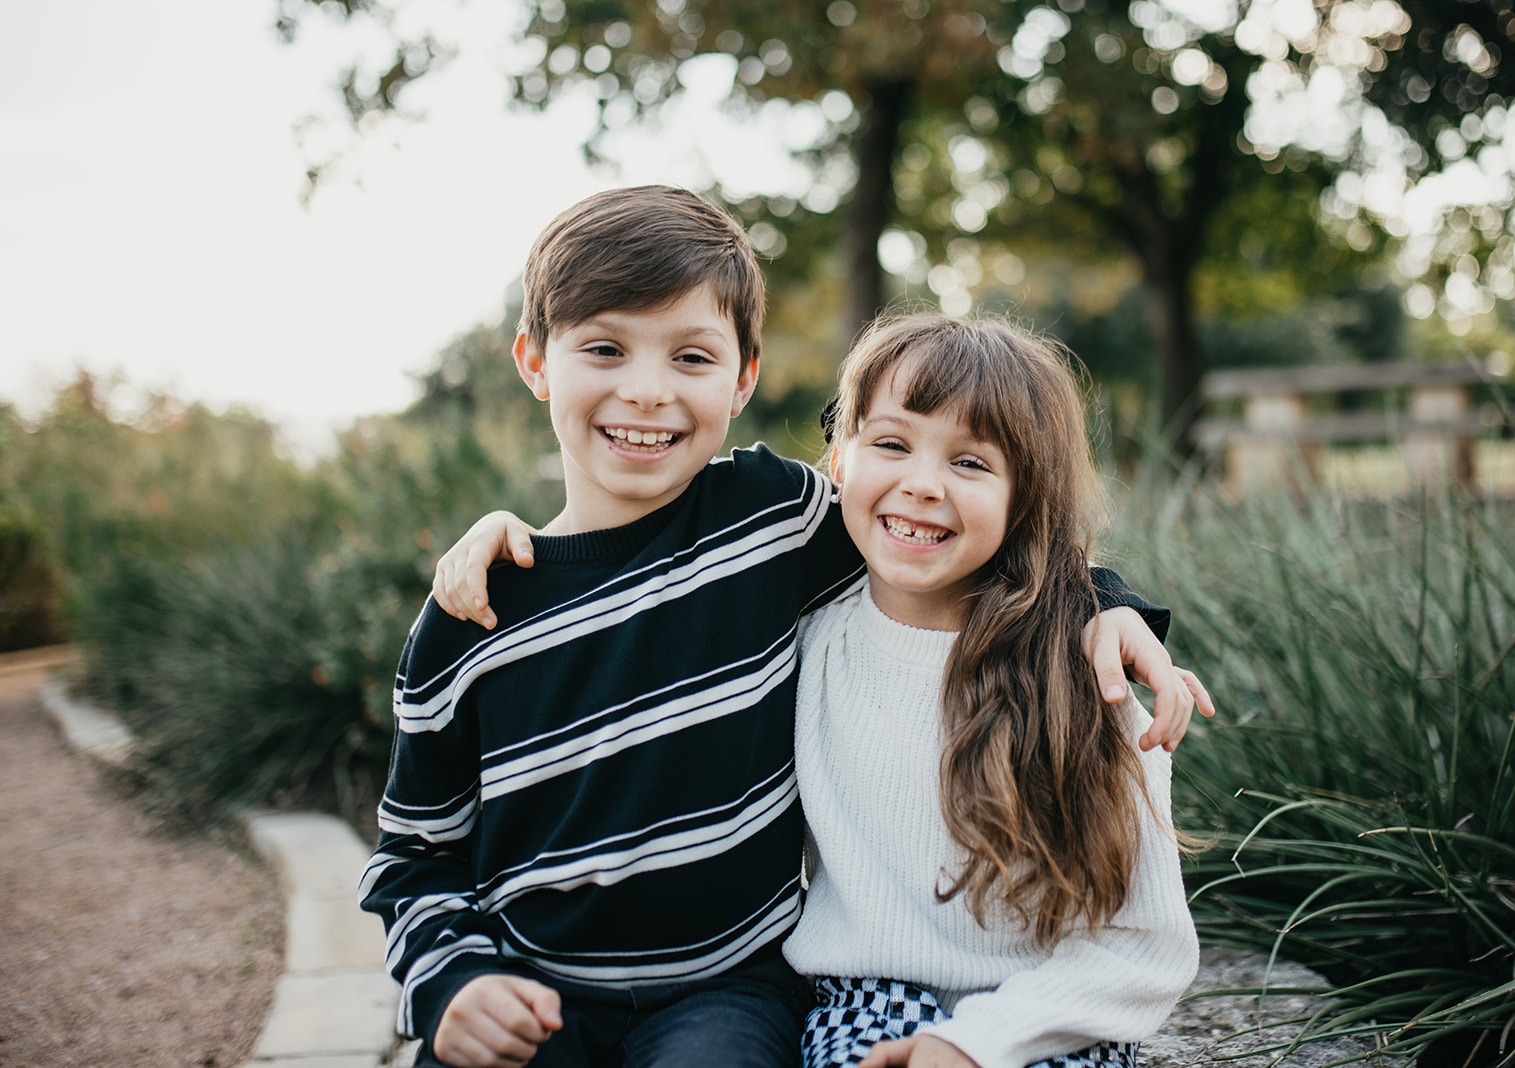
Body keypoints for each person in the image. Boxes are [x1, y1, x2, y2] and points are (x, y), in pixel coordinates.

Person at [364, 185, 1208, 1068]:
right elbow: (413, 853)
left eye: (691, 356)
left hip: (724, 994)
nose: (647, 391)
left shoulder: (772, 522)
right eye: (605, 348)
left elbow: (979, 535)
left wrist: (1105, 604)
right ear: (535, 361)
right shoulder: (475, 612)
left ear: (744, 378)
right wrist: (449, 983)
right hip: (527, 986)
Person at [785, 313, 1198, 1068]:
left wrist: (972, 1046)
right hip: (862, 1006)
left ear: (1024, 496)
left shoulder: (1088, 674)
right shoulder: (803, 644)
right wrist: (513, 540)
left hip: (1049, 1015)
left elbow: (1146, 947)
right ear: (840, 459)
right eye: (891, 443)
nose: (920, 483)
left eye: (971, 463)